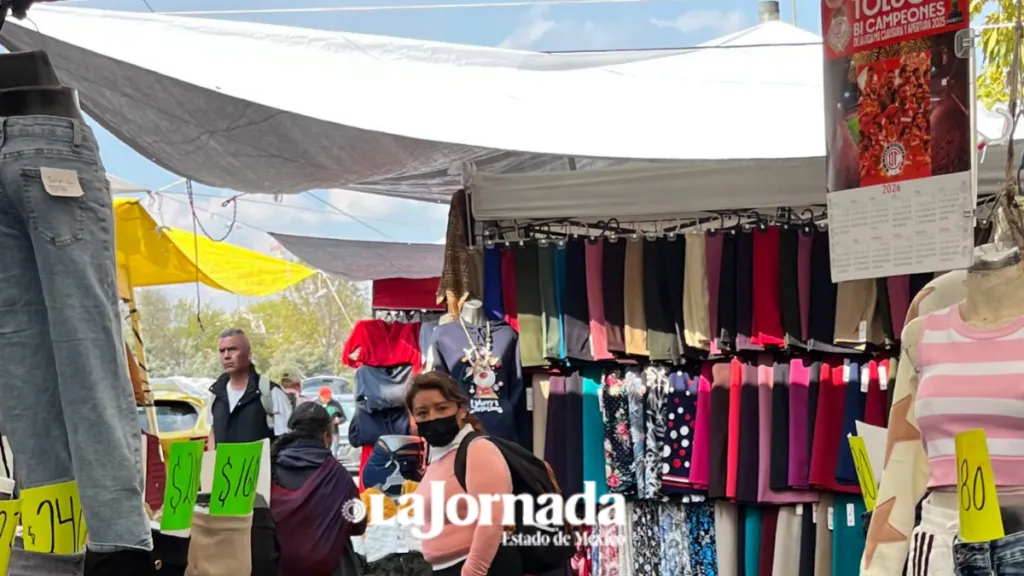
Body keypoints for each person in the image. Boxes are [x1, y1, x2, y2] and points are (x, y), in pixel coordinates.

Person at [405, 371, 523, 575]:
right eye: (422, 413)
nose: (432, 418)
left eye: (441, 408)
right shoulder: (437, 457)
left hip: (479, 567)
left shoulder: (477, 450)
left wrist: (473, 570)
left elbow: (492, 520)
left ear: (461, 409)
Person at [271, 403, 366, 576]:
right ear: (326, 437)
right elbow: (357, 524)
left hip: (280, 568)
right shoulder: (338, 475)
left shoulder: (269, 469)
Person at [208, 328, 293, 445]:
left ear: (249, 354)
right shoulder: (215, 394)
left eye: (233, 349)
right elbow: (213, 433)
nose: (226, 356)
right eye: (222, 351)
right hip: (225, 463)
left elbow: (286, 441)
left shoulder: (270, 393)